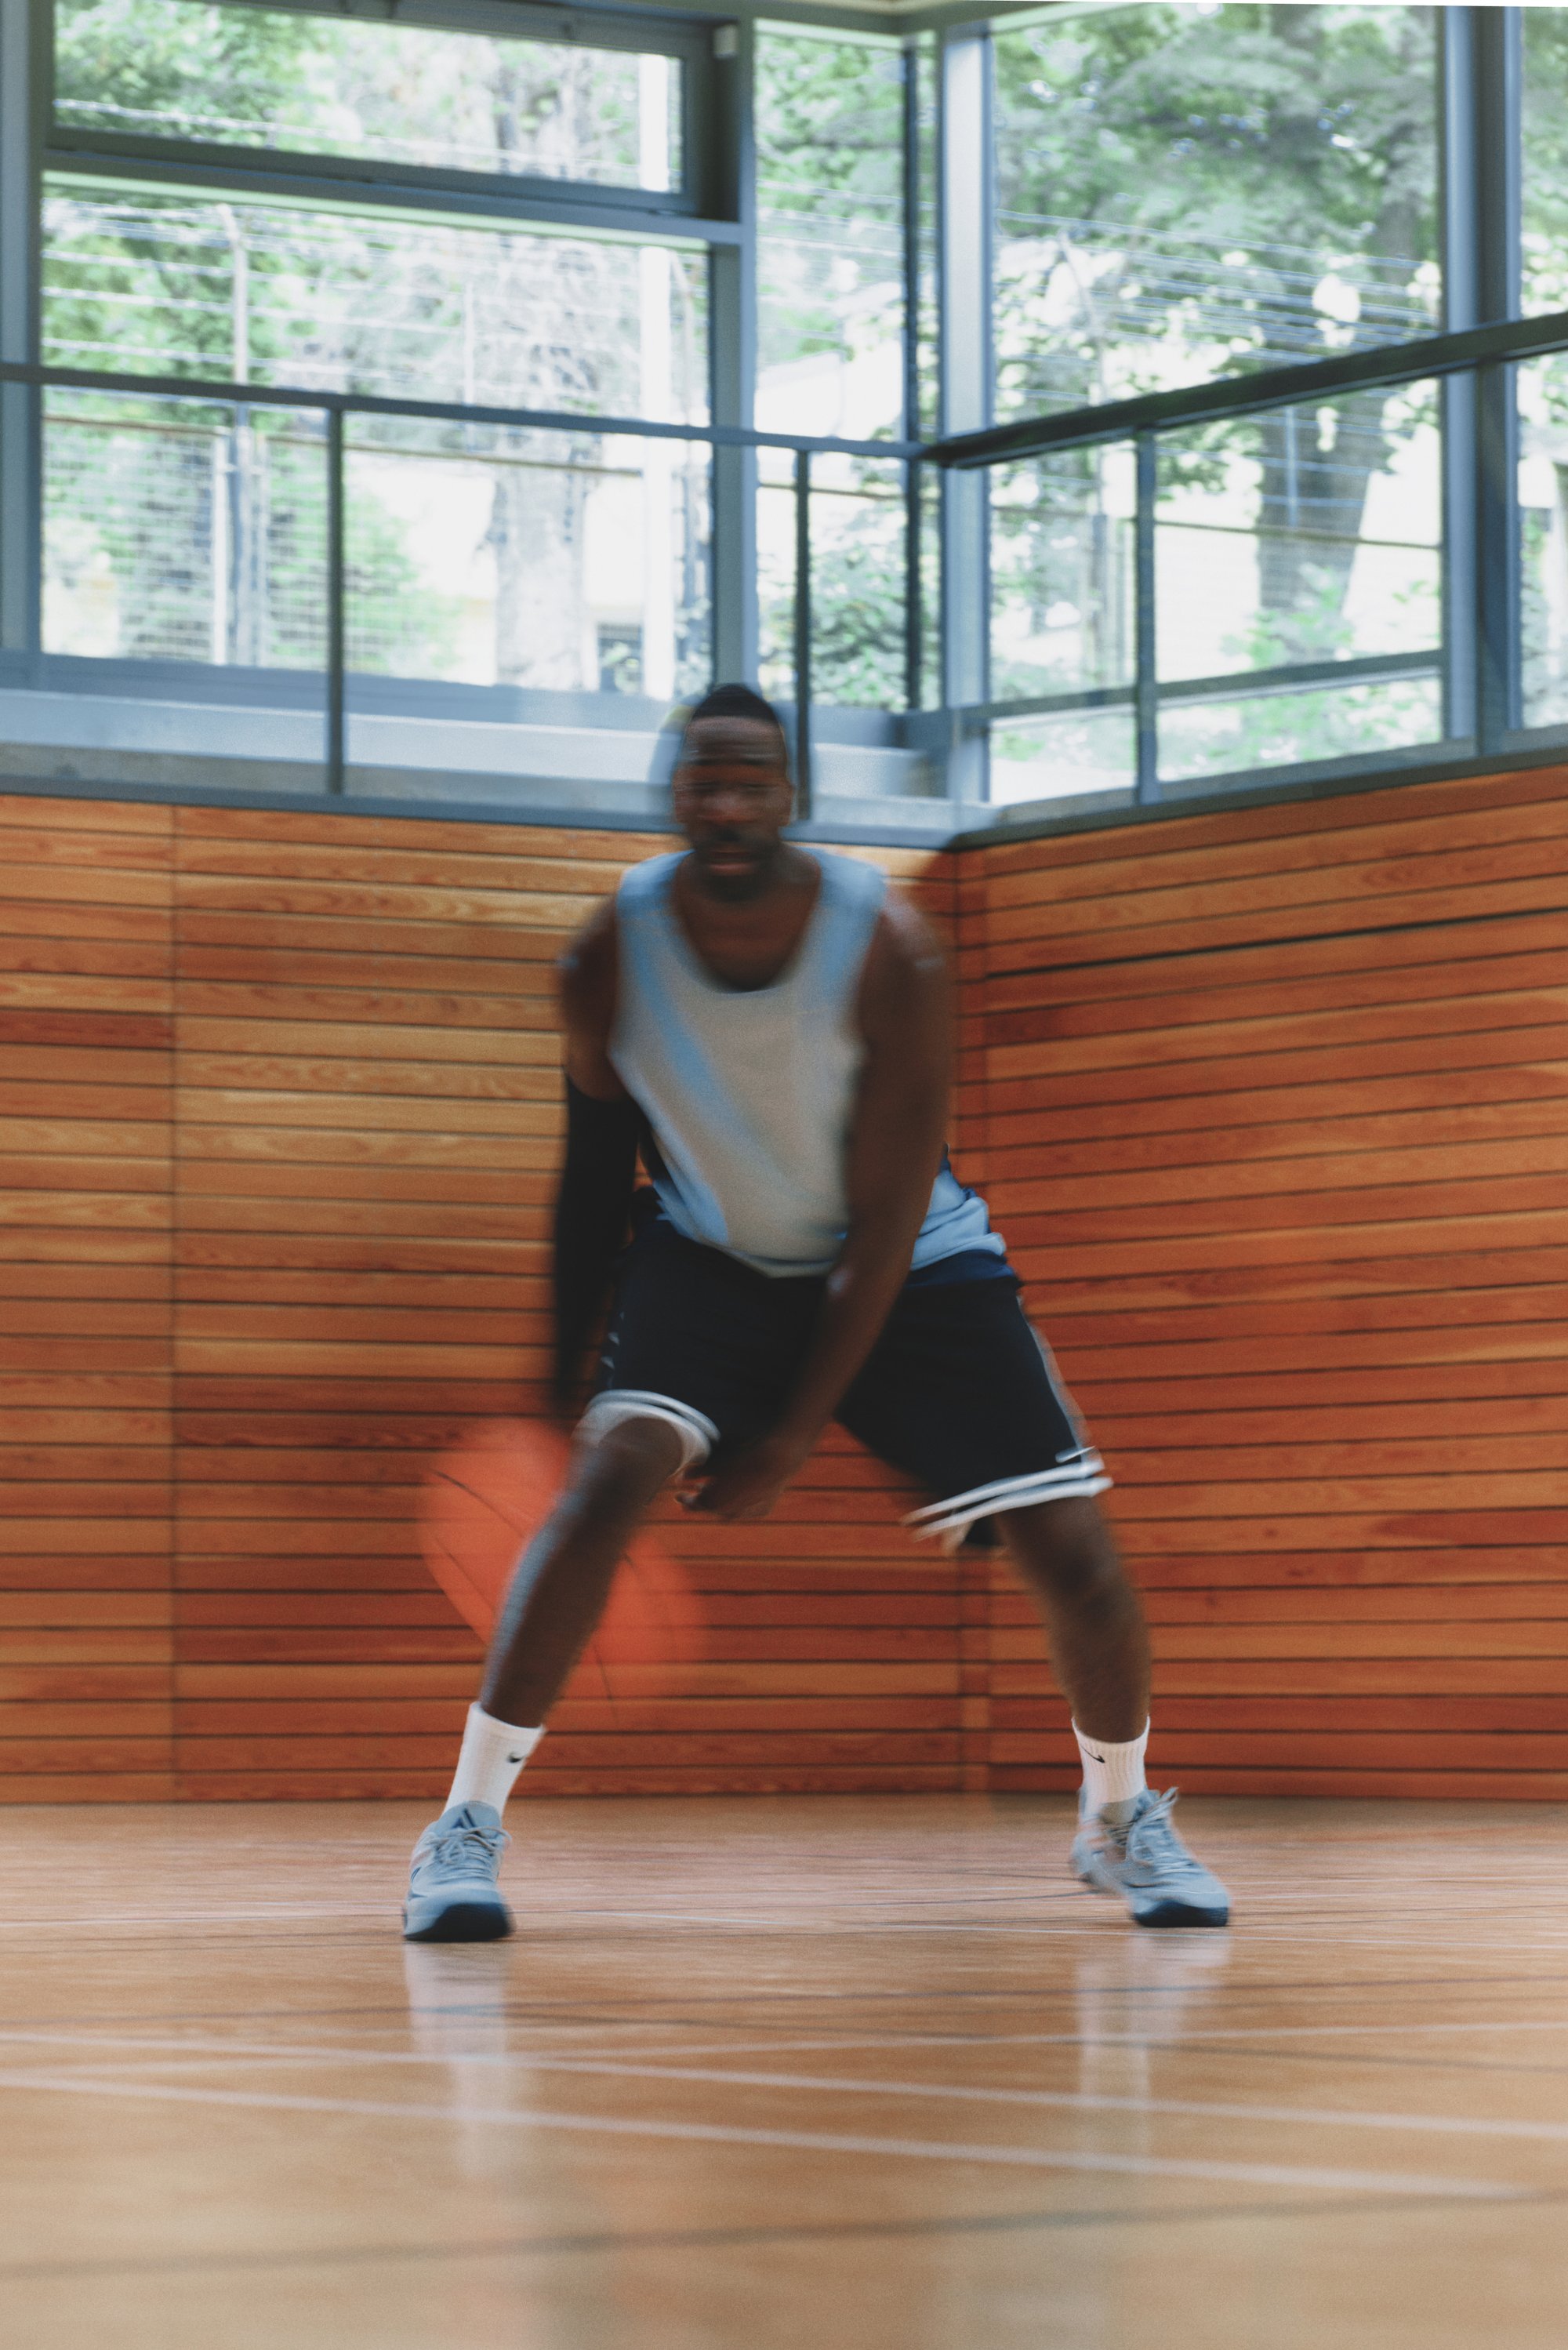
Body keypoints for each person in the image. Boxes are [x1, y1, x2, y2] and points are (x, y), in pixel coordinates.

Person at [402, 685, 1229, 1941]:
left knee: (1075, 1551)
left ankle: (1120, 1818)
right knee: (603, 1484)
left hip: (909, 1263)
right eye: (704, 778)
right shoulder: (610, 953)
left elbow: (888, 1220)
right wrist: (544, 1402)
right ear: (671, 793)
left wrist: (791, 1435)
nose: (728, 802)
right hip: (714, 1253)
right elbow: (588, 1182)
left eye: (754, 779)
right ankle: (462, 1832)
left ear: (794, 796)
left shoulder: (889, 948)